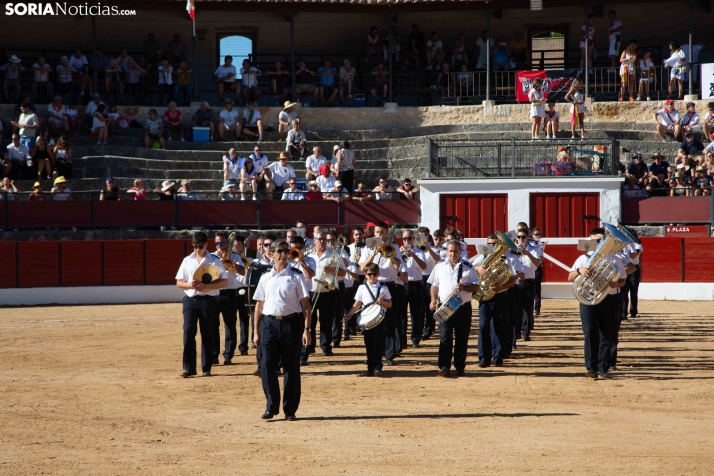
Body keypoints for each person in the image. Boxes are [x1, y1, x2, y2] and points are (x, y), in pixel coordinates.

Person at [252, 239, 311, 421]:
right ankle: (271, 407)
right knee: (266, 366)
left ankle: (290, 410)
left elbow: (306, 306)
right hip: (268, 324)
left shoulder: (296, 276)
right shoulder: (265, 277)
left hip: (291, 324)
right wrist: (255, 331)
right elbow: (259, 306)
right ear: (272, 253)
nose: (283, 254)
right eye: (279, 251)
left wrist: (307, 329)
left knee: (291, 368)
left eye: (286, 251)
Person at [568, 227, 626, 379]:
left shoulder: (614, 259)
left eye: (601, 240)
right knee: (589, 332)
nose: (598, 243)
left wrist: (616, 284)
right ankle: (591, 368)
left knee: (606, 334)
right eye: (595, 241)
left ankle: (603, 368)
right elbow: (569, 277)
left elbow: (623, 280)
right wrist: (579, 271)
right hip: (588, 299)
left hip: (609, 299)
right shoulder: (582, 259)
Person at [176, 231, 228, 378]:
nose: (197, 250)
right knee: (188, 331)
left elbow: (224, 282)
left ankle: (206, 368)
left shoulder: (215, 261)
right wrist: (189, 285)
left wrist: (206, 287)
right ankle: (189, 368)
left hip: (208, 300)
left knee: (207, 333)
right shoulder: (187, 260)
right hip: (190, 300)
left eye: (200, 246)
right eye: (194, 246)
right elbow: (179, 282)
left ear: (206, 245)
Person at [428, 240, 480, 377]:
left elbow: (476, 286)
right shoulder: (439, 266)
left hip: (462, 307)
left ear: (460, 251)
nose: (453, 254)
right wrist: (433, 300)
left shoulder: (468, 267)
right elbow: (434, 285)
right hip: (445, 306)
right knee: (445, 337)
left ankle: (460, 367)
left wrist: (464, 287)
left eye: (455, 251)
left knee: (461, 338)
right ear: (446, 251)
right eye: (450, 251)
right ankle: (444, 367)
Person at [359, 221, 403, 366]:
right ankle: (373, 355)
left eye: (381, 232)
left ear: (386, 233)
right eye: (376, 232)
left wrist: (388, 252)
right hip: (371, 285)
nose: (379, 235)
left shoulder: (394, 246)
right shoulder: (367, 248)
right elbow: (361, 269)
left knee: (390, 322)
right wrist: (373, 253)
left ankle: (389, 355)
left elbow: (397, 265)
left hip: (388, 285)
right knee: (371, 322)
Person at [471, 235, 518, 367]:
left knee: (500, 328)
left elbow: (514, 279)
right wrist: (478, 268)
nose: (493, 247)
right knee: (483, 327)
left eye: (496, 244)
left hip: (500, 296)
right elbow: (469, 267)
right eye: (490, 244)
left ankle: (498, 357)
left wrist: (501, 287)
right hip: (484, 298)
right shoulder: (481, 257)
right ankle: (484, 358)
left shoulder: (507, 260)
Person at [302, 231, 346, 363]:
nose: (321, 241)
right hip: (312, 291)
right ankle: (309, 346)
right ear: (313, 240)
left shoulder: (334, 254)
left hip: (328, 291)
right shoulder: (308, 255)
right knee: (311, 321)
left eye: (323, 239)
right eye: (319, 239)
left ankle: (326, 346)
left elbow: (344, 272)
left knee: (327, 321)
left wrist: (333, 270)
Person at [344, 262, 392, 377]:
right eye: (370, 274)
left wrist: (382, 302)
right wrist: (350, 313)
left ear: (379, 274)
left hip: (380, 320)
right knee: (369, 344)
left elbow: (390, 304)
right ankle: (370, 368)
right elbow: (357, 305)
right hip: (367, 319)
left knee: (378, 343)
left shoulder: (383, 287)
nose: (372, 277)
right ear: (365, 274)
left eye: (375, 274)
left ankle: (378, 367)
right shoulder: (361, 288)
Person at [211, 231, 246, 366]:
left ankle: (228, 355)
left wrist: (231, 262)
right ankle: (214, 354)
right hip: (214, 293)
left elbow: (242, 272)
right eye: (217, 243)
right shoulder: (212, 256)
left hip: (230, 293)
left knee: (230, 325)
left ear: (227, 243)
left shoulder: (235, 256)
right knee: (213, 325)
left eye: (222, 243)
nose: (219, 246)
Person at [399, 230, 427, 348]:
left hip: (416, 284)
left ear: (414, 239)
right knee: (401, 314)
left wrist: (413, 255)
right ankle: (402, 340)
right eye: (405, 239)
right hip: (403, 284)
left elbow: (424, 266)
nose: (407, 241)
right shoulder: (397, 252)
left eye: (409, 238)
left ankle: (415, 338)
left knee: (416, 314)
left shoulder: (419, 252)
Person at [515, 229, 542, 341]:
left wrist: (527, 253)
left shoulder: (533, 249)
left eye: (523, 237)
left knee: (527, 308)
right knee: (516, 309)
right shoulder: (512, 250)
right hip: (516, 282)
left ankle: (526, 333)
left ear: (527, 238)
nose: (521, 239)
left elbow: (537, 263)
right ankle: (516, 333)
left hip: (528, 282)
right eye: (519, 237)